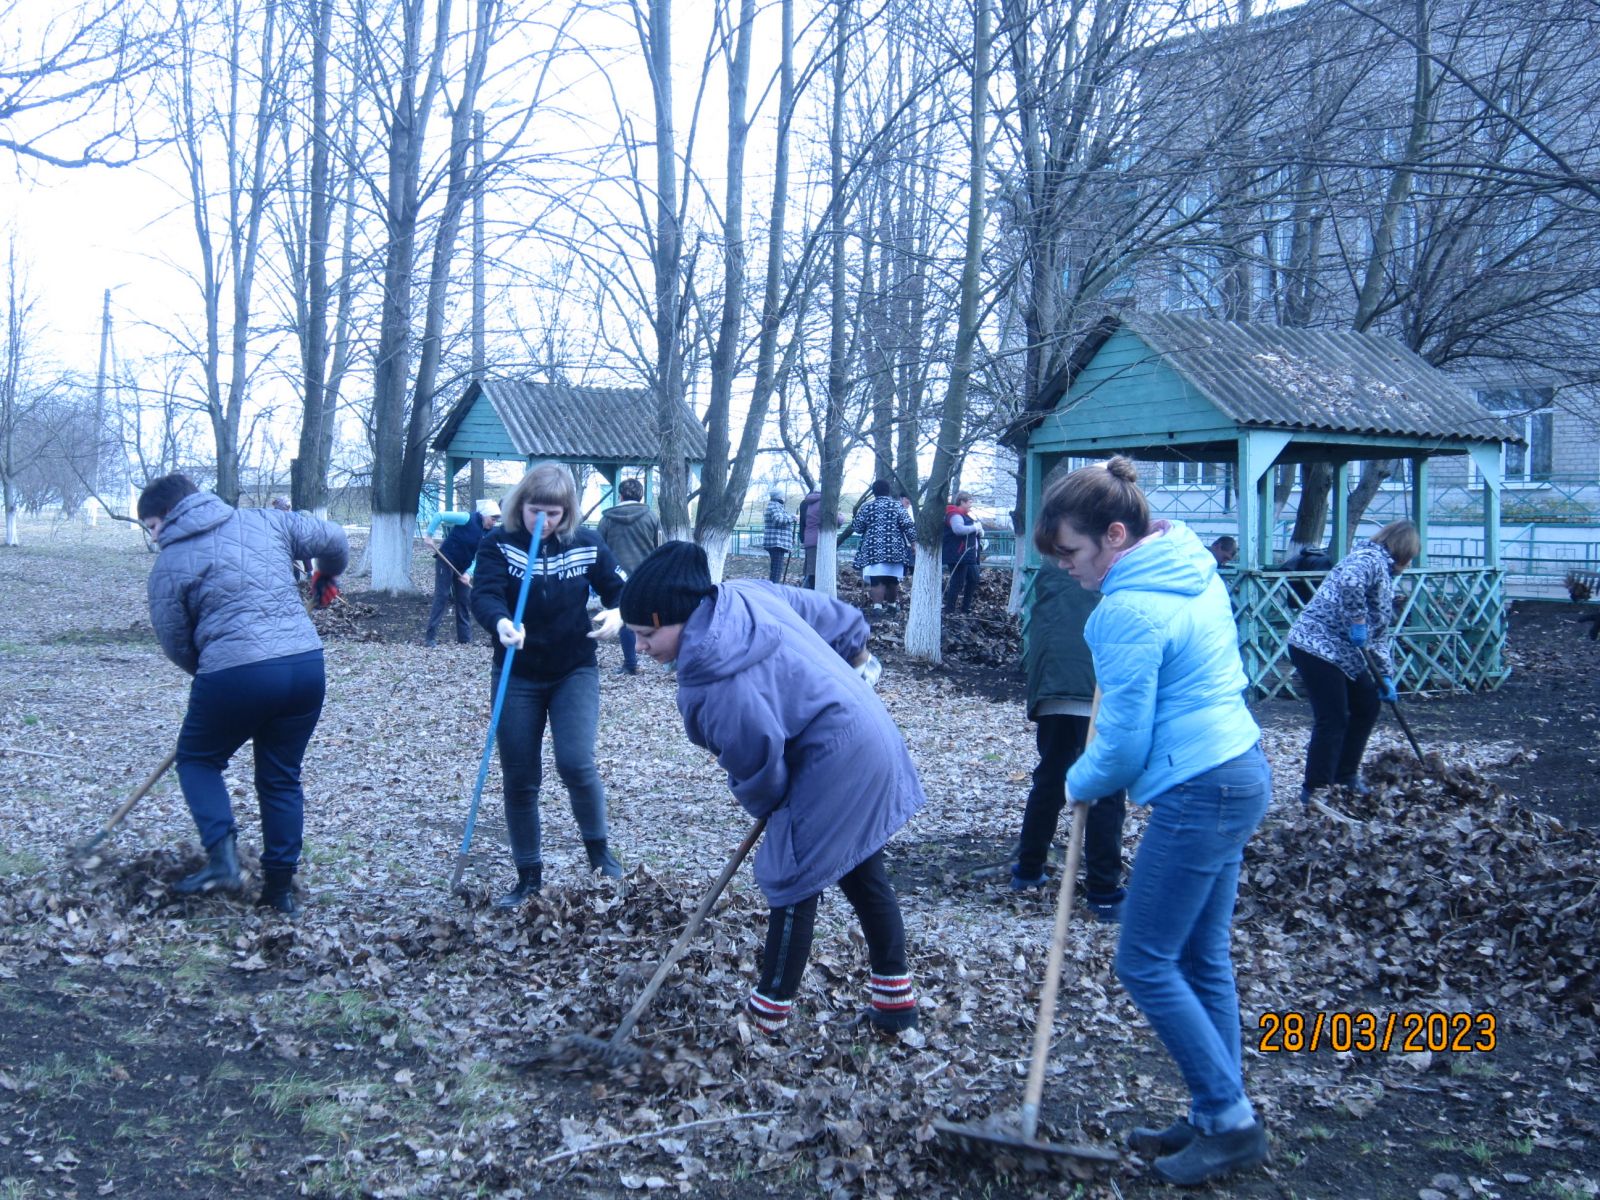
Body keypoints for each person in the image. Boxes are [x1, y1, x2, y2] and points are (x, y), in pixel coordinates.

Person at [1035, 456, 1271, 1186]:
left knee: (1143, 959)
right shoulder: (1187, 560)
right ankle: (1214, 1110)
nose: (1069, 569)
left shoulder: (1128, 611)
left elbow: (1123, 744)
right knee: (1200, 958)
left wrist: (1079, 779)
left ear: (1113, 535)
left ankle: (1229, 1121)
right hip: (1238, 768)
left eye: (1072, 553)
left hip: (1201, 787)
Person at [619, 541, 924, 1037]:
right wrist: (859, 659)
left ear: (678, 615)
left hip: (834, 762)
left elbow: (760, 770)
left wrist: (771, 804)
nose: (640, 647)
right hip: (869, 733)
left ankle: (766, 1017)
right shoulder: (743, 594)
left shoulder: (709, 688)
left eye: (646, 634)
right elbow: (836, 617)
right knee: (861, 868)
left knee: (791, 878)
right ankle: (895, 1004)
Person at [140, 473, 347, 915]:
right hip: (306, 664)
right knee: (280, 777)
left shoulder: (170, 563)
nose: (152, 537)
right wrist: (327, 571)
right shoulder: (268, 522)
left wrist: (226, 680)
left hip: (235, 672)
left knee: (197, 760)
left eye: (150, 527)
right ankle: (279, 892)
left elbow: (177, 642)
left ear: (164, 518)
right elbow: (334, 537)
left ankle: (223, 861)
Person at [470, 462, 629, 907]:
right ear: (520, 504)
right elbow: (484, 594)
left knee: (576, 762)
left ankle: (600, 855)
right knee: (520, 777)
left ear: (568, 512)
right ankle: (528, 876)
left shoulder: (586, 543)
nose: (542, 521)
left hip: (573, 669)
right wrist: (499, 621)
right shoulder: (498, 543)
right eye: (534, 511)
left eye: (553, 514)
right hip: (516, 673)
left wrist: (619, 613)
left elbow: (620, 589)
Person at [1009, 559, 1128, 922]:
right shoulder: (1115, 564)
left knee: (1051, 776)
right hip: (1095, 686)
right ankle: (1104, 891)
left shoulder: (1055, 563)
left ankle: (1028, 869)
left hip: (1054, 687)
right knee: (1106, 789)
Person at [1286, 520, 1419, 804]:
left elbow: (1379, 637)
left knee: (1367, 704)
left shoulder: (1383, 572)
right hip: (1314, 645)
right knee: (1333, 717)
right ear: (1403, 551)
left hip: (1343, 653)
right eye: (1410, 557)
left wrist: (1386, 677)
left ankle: (1345, 776)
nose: (1408, 564)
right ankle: (1316, 788)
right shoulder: (1368, 557)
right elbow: (1349, 582)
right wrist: (1357, 620)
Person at [598, 478, 662, 674]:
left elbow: (599, 549)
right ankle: (663, 656)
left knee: (624, 619)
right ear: (641, 496)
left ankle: (630, 664)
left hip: (616, 578)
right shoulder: (651, 517)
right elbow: (660, 546)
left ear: (621, 495)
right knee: (654, 615)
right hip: (646, 576)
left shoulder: (607, 519)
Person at [424, 499, 500, 647]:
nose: (494, 523)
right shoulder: (467, 518)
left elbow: (479, 555)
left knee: (464, 599)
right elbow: (439, 516)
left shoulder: (487, 533)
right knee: (442, 596)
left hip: (463, 567)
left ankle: (464, 639)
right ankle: (430, 637)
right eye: (493, 519)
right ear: (484, 515)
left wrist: (469, 574)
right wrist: (429, 535)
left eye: (496, 520)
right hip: (446, 560)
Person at [851, 481, 916, 614]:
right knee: (892, 578)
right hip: (895, 549)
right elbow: (908, 525)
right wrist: (914, 543)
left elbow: (857, 528)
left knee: (877, 579)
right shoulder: (897, 506)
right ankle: (892, 606)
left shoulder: (867, 507)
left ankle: (877, 608)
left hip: (872, 549)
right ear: (888, 491)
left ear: (874, 492)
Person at [942, 492, 984, 615]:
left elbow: (970, 530)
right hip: (958, 555)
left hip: (967, 555)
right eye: (970, 502)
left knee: (974, 578)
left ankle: (965, 609)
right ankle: (950, 610)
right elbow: (958, 530)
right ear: (962, 502)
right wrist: (975, 528)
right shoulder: (954, 514)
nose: (971, 505)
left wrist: (979, 531)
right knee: (957, 582)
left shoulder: (965, 516)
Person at [797, 487, 844, 590]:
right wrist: (841, 515)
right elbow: (838, 520)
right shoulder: (825, 502)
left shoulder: (807, 503)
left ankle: (808, 594)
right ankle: (816, 595)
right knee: (824, 571)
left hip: (809, 540)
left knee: (811, 571)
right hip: (822, 540)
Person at [762, 489, 797, 584]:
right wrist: (792, 518)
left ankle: (773, 588)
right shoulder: (774, 506)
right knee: (776, 571)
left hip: (777, 542)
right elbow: (778, 520)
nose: (784, 497)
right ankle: (773, 589)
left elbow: (780, 518)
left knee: (776, 570)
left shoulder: (776, 506)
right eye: (783, 495)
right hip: (776, 543)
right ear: (779, 496)